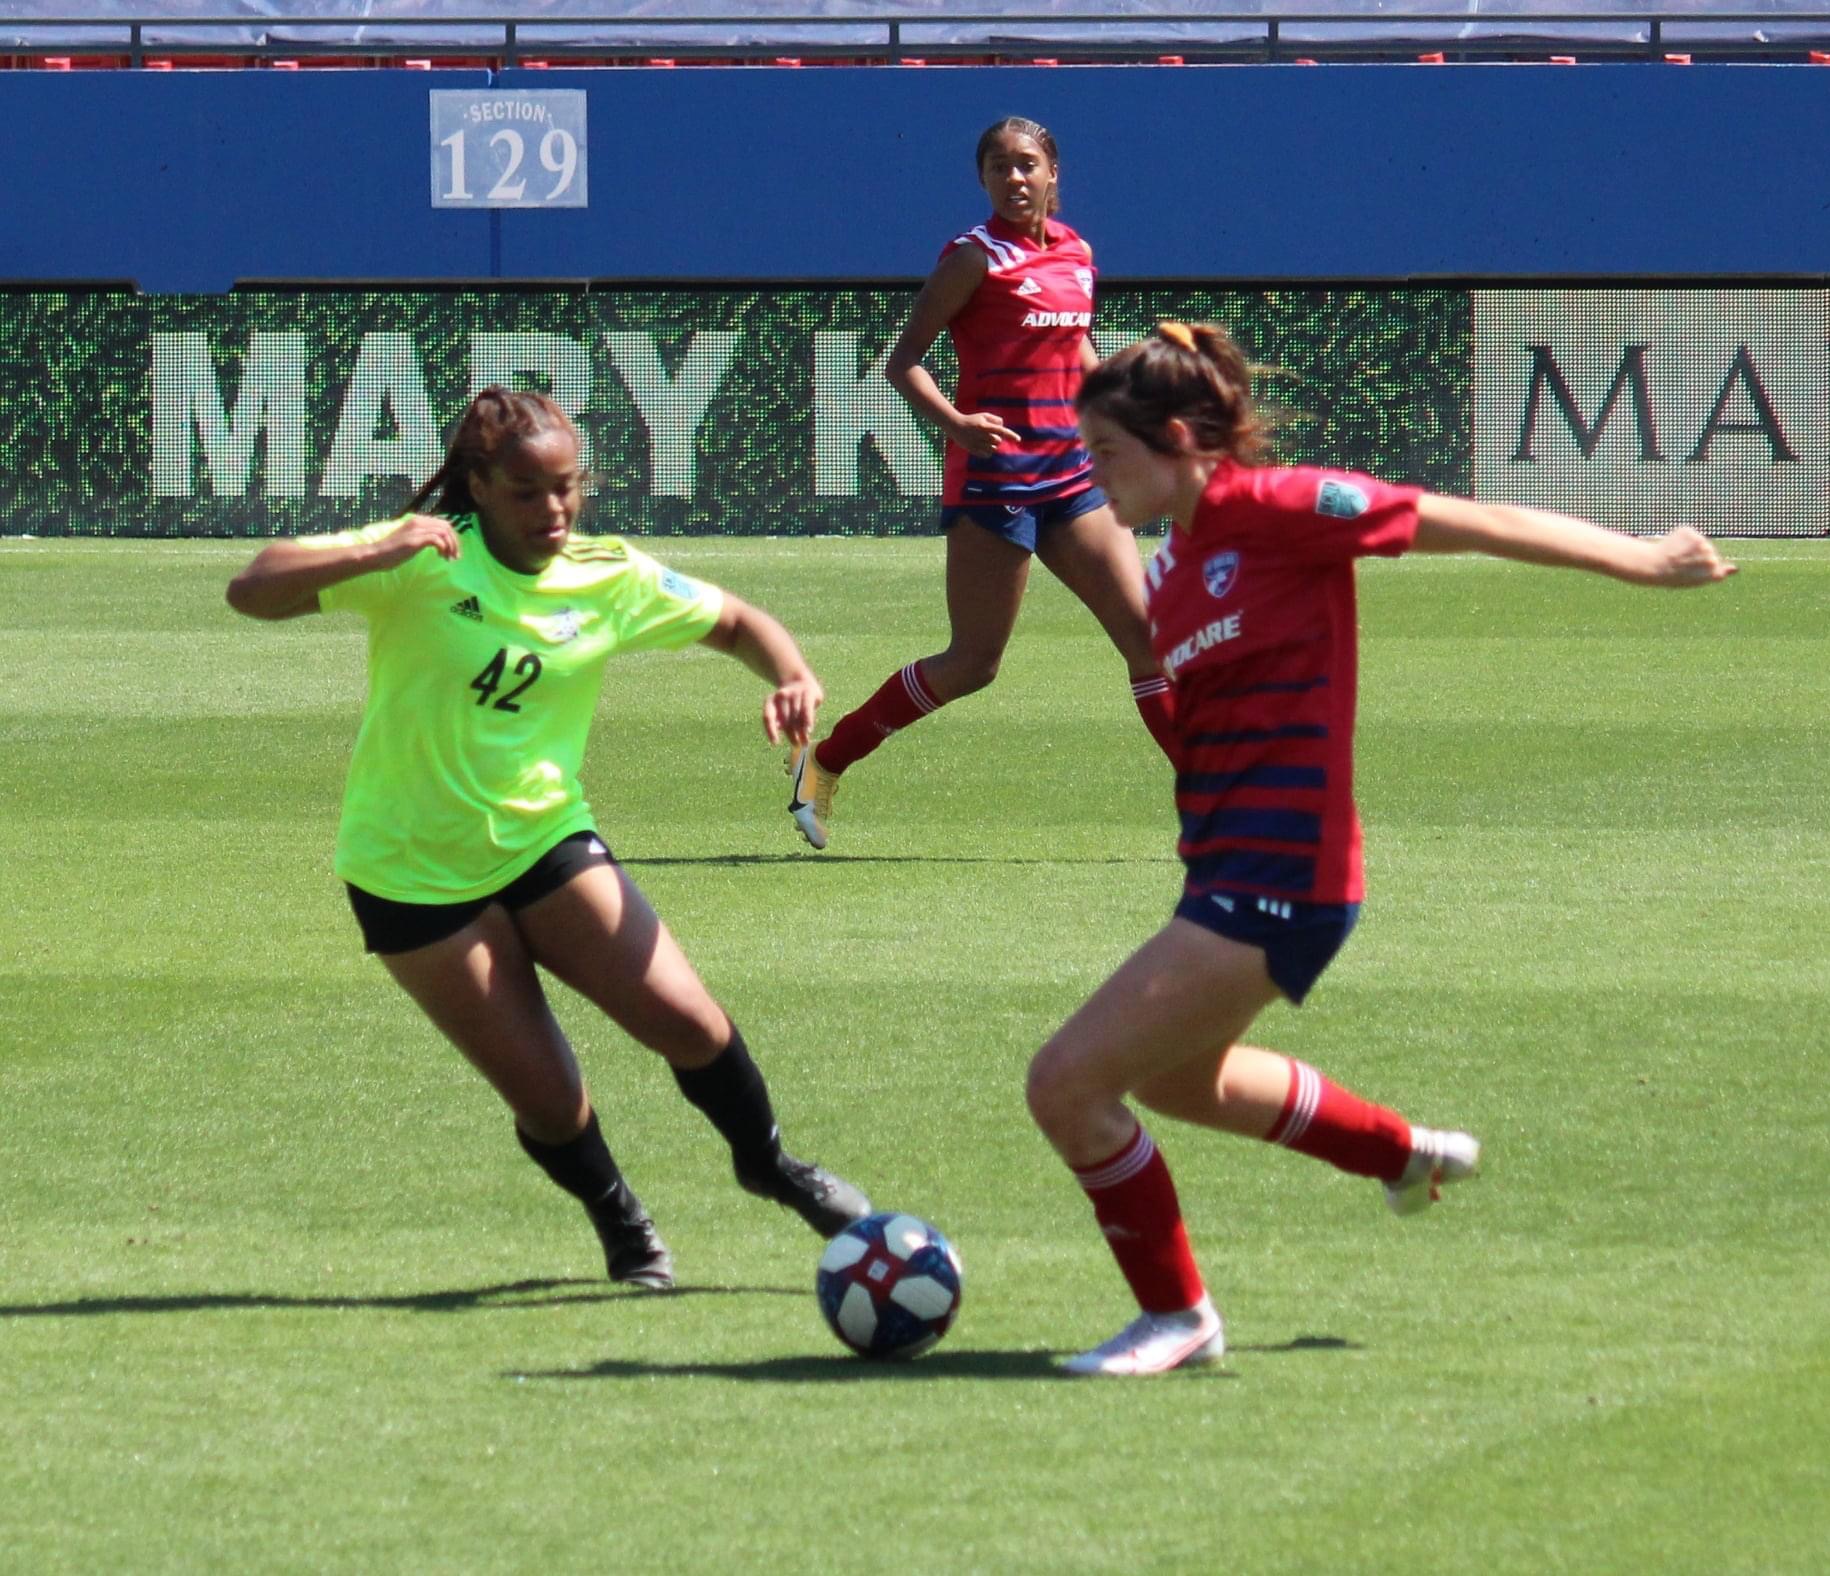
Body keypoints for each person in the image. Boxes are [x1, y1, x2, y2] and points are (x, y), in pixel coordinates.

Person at [1026, 321, 1737, 1376]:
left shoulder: (1277, 509)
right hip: (1227, 872)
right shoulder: (1173, 571)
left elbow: (1475, 520)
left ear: (1177, 436)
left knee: (1064, 1085)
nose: (1093, 478)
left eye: (1109, 456)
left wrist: (1641, 558)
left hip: (1284, 878)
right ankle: (1398, 1153)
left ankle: (1177, 1316)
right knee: (1175, 1083)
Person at [226, 386, 871, 1291]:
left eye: (567, 488)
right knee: (549, 1096)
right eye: (528, 492)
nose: (554, 511)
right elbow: (250, 591)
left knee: (690, 1021)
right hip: (410, 873)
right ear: (479, 486)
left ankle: (768, 1164)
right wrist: (380, 547)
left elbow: (733, 622)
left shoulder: (606, 573)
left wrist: (792, 672)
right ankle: (622, 1221)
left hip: (545, 842)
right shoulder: (422, 559)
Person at [784, 115, 1176, 849]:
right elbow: (904, 361)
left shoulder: (1077, 253)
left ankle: (1216, 815)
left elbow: (1076, 346)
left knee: (1148, 640)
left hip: (1072, 477)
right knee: (974, 663)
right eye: (999, 166)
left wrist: (1122, 411)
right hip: (995, 479)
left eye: (1027, 164)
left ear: (1053, 173)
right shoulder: (974, 258)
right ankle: (827, 761)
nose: (1015, 177)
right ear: (984, 179)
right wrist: (957, 424)